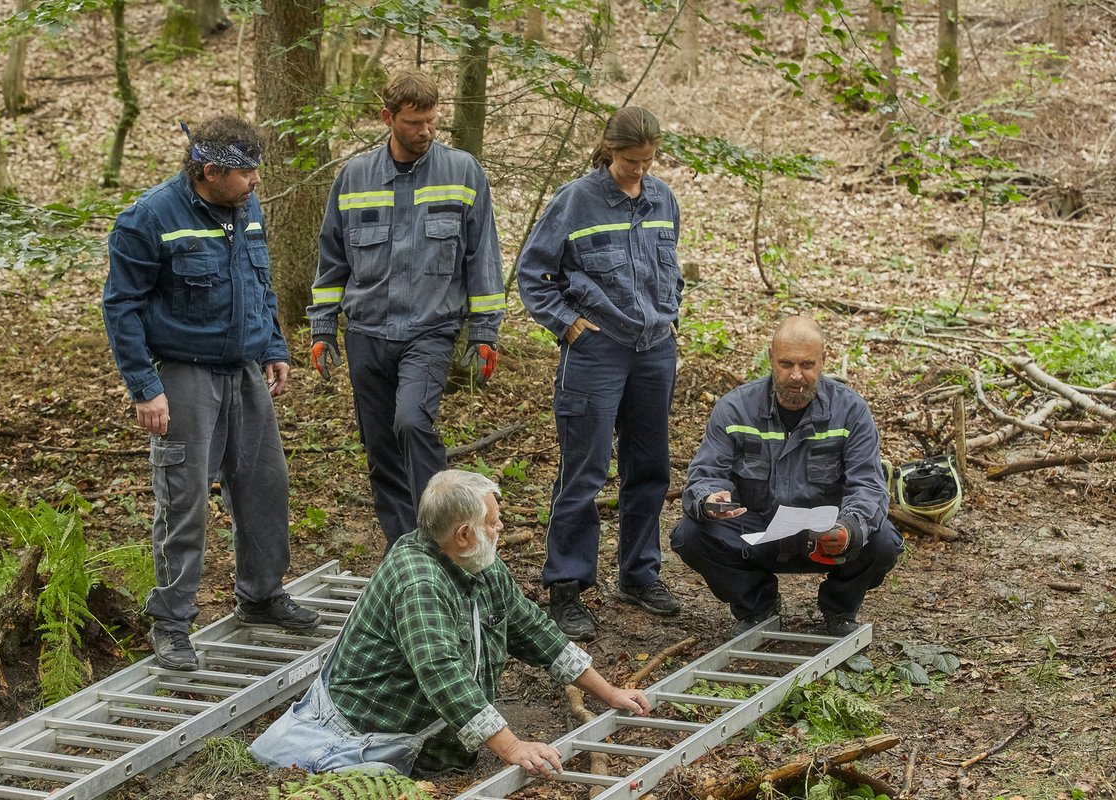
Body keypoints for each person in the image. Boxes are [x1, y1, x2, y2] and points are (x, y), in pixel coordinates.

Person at [251, 469, 650, 777]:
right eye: (493, 522)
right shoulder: (419, 583)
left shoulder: (478, 563)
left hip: (425, 734)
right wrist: (512, 747)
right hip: (364, 735)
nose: (500, 529)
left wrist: (608, 692)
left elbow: (533, 629)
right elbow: (442, 673)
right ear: (463, 534)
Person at [103, 116, 319, 672]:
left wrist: (274, 344)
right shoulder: (149, 218)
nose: (255, 181)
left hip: (244, 369)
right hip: (183, 374)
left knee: (264, 486)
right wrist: (144, 388)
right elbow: (121, 307)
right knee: (185, 500)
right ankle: (173, 622)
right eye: (245, 171)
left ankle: (262, 594)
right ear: (209, 170)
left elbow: (259, 283)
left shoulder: (246, 211)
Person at [307, 69, 505, 547]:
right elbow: (332, 258)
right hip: (367, 333)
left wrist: (484, 333)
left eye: (432, 122)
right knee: (380, 448)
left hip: (430, 330)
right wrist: (321, 329)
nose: (425, 132)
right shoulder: (353, 178)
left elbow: (483, 257)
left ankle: (444, 533)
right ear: (387, 118)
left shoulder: (462, 172)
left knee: (412, 423)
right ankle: (406, 550)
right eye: (415, 123)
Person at [516, 107, 683, 641]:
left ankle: (639, 574)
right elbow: (532, 273)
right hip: (595, 351)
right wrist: (568, 327)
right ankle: (566, 586)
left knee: (649, 466)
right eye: (631, 161)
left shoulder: (662, 200)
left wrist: (671, 312)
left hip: (654, 349)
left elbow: (669, 264)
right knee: (585, 471)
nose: (639, 171)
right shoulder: (575, 200)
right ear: (608, 150)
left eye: (648, 161)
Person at [669, 316, 903, 637]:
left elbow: (869, 486)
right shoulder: (735, 409)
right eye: (786, 363)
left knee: (882, 540)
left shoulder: (851, 411)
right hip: (758, 533)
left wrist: (849, 528)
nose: (796, 376)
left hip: (826, 537)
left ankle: (840, 608)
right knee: (690, 535)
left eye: (807, 364)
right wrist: (710, 498)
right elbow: (705, 474)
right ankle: (757, 605)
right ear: (770, 359)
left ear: (824, 360)